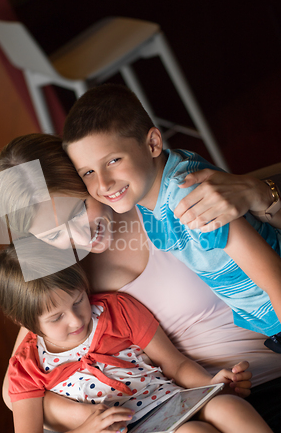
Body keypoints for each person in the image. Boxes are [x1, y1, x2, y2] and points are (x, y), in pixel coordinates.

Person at [0, 134, 281, 433]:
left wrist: (262, 193)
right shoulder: (61, 276)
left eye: (77, 211)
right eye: (52, 233)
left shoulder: (157, 194)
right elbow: (14, 391)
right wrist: (96, 423)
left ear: (88, 177)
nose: (81, 236)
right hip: (205, 404)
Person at [0, 241, 281, 433]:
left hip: (170, 407)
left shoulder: (116, 310)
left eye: (78, 300)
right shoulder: (27, 367)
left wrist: (209, 384)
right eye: (56, 318)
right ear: (23, 321)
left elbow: (175, 364)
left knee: (227, 407)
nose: (76, 320)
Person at [62, 84, 281, 352]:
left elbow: (275, 278)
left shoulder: (188, 197)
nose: (104, 184)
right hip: (266, 323)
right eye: (88, 172)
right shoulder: (146, 194)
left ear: (153, 144)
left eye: (113, 160)